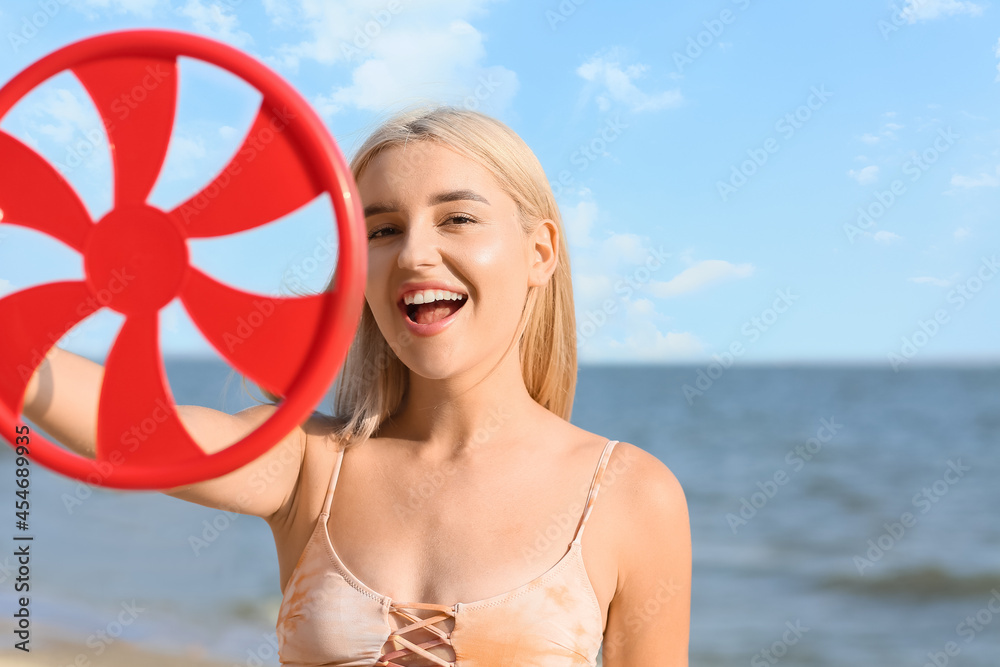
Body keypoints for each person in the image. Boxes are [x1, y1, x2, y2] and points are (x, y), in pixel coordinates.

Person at [22, 106, 690, 666]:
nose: (414, 254)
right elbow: (133, 427)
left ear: (539, 251)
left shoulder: (629, 494)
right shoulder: (308, 465)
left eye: (456, 218)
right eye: (382, 229)